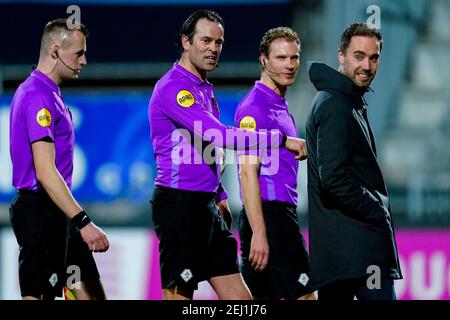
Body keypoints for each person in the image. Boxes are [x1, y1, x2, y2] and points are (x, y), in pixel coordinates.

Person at [148, 10, 307, 300]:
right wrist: (280, 140)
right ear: (186, 41)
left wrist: (219, 193)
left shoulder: (203, 89)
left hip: (206, 204)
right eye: (205, 40)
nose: (213, 48)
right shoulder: (175, 87)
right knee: (180, 296)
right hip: (179, 204)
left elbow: (207, 149)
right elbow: (219, 136)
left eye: (218, 42)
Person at [9, 18, 109, 300]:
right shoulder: (38, 97)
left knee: (90, 293)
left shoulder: (46, 93)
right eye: (78, 53)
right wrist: (84, 222)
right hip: (40, 211)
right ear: (55, 51)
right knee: (40, 294)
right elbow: (44, 170)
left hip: (57, 212)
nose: (85, 61)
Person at [305, 22, 402, 300]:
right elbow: (334, 177)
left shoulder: (342, 100)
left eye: (374, 58)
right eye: (359, 56)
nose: (367, 66)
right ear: (341, 56)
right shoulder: (336, 104)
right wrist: (376, 209)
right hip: (358, 253)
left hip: (344, 254)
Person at [234, 27, 315, 300]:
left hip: (276, 213)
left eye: (294, 58)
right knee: (305, 294)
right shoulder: (254, 108)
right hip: (270, 214)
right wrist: (259, 231)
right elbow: (247, 172)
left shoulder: (278, 104)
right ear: (263, 60)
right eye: (281, 58)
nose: (290, 65)